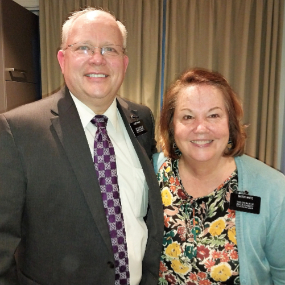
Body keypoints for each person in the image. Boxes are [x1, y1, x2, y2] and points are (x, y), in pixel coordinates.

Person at [0, 8, 163, 285]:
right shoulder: (17, 131)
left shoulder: (141, 119)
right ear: (62, 59)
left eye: (110, 49)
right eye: (84, 48)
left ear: (124, 63)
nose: (97, 59)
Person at [153, 68, 285, 285]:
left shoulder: (271, 188)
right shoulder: (151, 174)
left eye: (213, 115)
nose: (201, 128)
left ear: (230, 124)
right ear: (171, 126)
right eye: (187, 116)